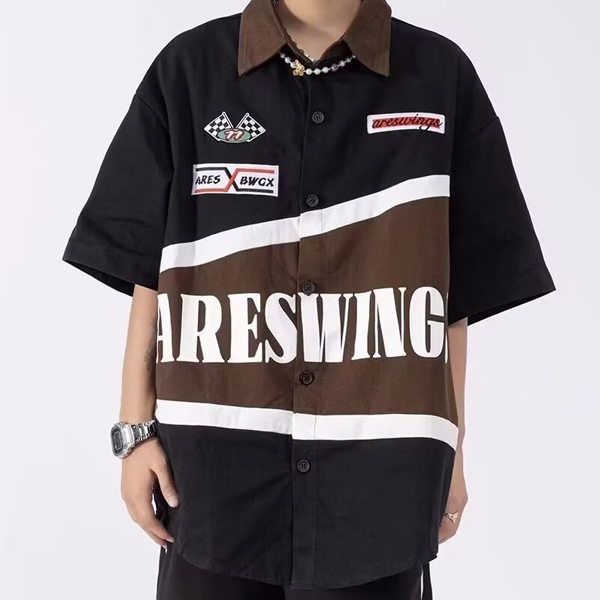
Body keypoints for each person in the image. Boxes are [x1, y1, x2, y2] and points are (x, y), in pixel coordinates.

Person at [61, 0, 556, 598]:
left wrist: (452, 447)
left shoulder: (440, 75)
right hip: (213, 480)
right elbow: (148, 267)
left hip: (381, 483)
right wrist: (135, 431)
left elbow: (455, 297)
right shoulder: (189, 71)